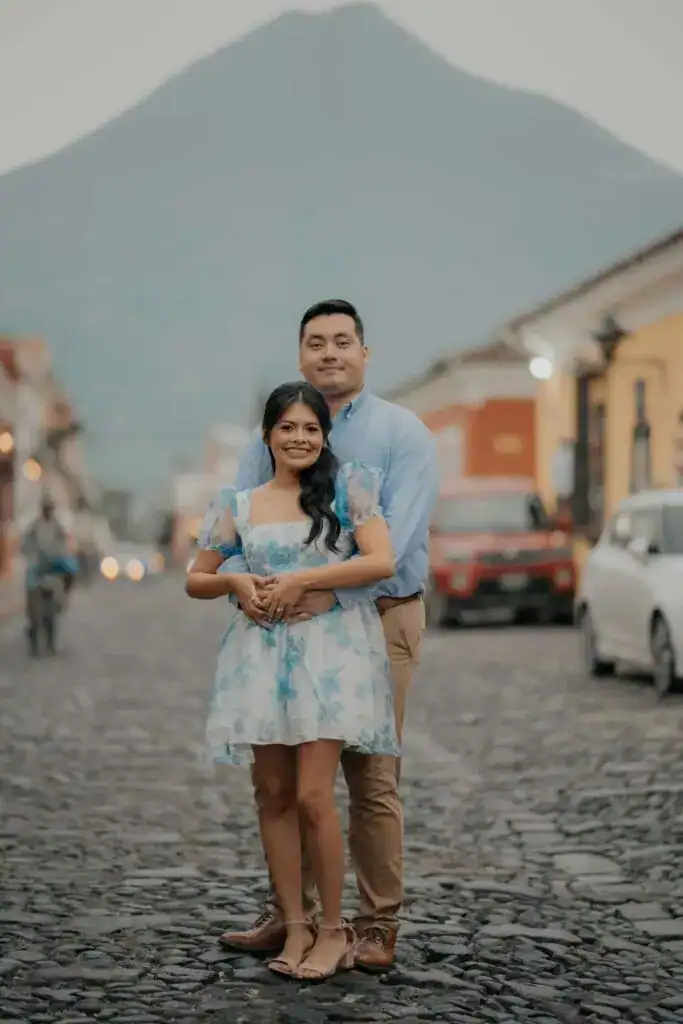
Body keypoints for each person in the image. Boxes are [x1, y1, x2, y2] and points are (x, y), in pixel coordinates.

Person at [214, 299, 439, 971]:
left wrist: (322, 591)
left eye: (343, 341)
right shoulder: (275, 438)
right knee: (282, 779)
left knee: (370, 774)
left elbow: (392, 546)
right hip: (284, 629)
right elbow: (232, 537)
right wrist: (243, 585)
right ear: (300, 355)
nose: (329, 353)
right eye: (316, 343)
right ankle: (297, 916)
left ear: (365, 353)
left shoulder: (403, 434)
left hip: (380, 615)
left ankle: (375, 924)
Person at [187, 381, 400, 981]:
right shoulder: (240, 502)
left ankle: (333, 931)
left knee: (312, 796)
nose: (300, 438)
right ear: (268, 435)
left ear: (323, 437)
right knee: (272, 796)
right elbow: (195, 578)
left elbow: (380, 559)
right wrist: (234, 582)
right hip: (260, 659)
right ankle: (296, 925)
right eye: (288, 428)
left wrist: (307, 582)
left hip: (329, 657)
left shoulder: (348, 489)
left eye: (311, 429)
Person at [21, 494, 78, 654]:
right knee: (34, 614)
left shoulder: (58, 527)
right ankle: (33, 645)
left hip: (52, 573)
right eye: (46, 508)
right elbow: (26, 547)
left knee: (51, 613)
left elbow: (63, 547)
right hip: (36, 573)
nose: (48, 511)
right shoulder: (34, 527)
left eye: (50, 508)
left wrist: (58, 559)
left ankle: (50, 644)